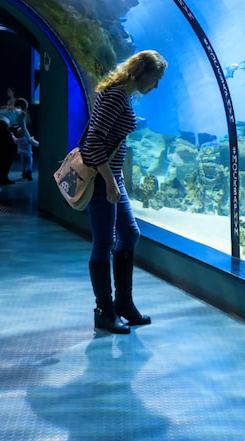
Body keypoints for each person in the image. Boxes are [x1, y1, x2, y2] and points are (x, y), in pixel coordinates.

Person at [80, 50, 167, 334]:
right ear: (142, 71)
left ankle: (124, 304)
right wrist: (109, 180)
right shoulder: (116, 95)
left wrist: (115, 178)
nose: (155, 87)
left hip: (112, 178)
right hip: (102, 180)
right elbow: (93, 142)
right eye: (155, 79)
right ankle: (105, 311)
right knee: (103, 242)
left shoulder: (123, 94)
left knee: (129, 233)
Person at [12, 98, 38, 180]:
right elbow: (24, 129)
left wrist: (12, 135)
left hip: (21, 153)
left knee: (23, 164)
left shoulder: (19, 140)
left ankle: (24, 173)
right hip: (28, 153)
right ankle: (29, 172)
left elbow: (15, 140)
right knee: (29, 163)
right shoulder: (20, 114)